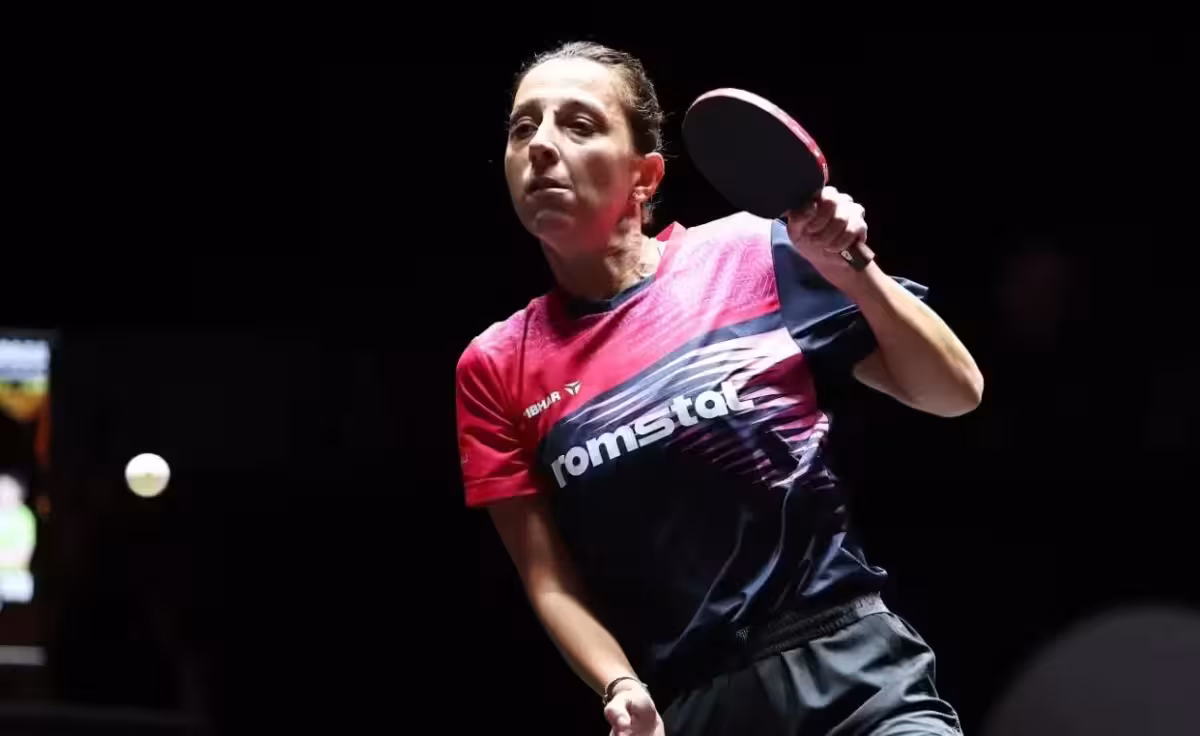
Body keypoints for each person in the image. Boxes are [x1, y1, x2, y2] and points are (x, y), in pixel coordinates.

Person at [455, 41, 983, 736]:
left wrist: (854, 269)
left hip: (851, 673)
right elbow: (548, 578)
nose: (542, 145)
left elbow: (954, 391)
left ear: (644, 176)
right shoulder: (496, 366)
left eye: (579, 124)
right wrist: (619, 683)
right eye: (524, 127)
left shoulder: (752, 252)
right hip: (698, 708)